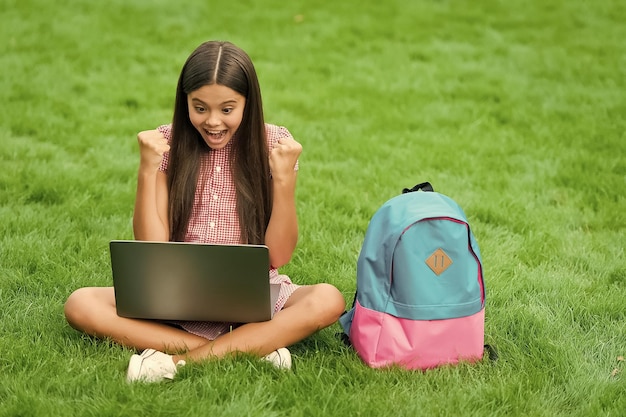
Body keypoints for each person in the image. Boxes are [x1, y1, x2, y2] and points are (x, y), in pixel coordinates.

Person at [64, 40, 346, 383]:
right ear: (185, 103)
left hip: (254, 291)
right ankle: (253, 346)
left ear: (248, 103)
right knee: (80, 304)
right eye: (200, 108)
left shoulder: (275, 143)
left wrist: (284, 180)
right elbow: (154, 245)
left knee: (328, 300)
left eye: (227, 109)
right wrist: (146, 170)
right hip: (178, 292)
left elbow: (280, 254)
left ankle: (178, 360)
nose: (213, 122)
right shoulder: (168, 143)